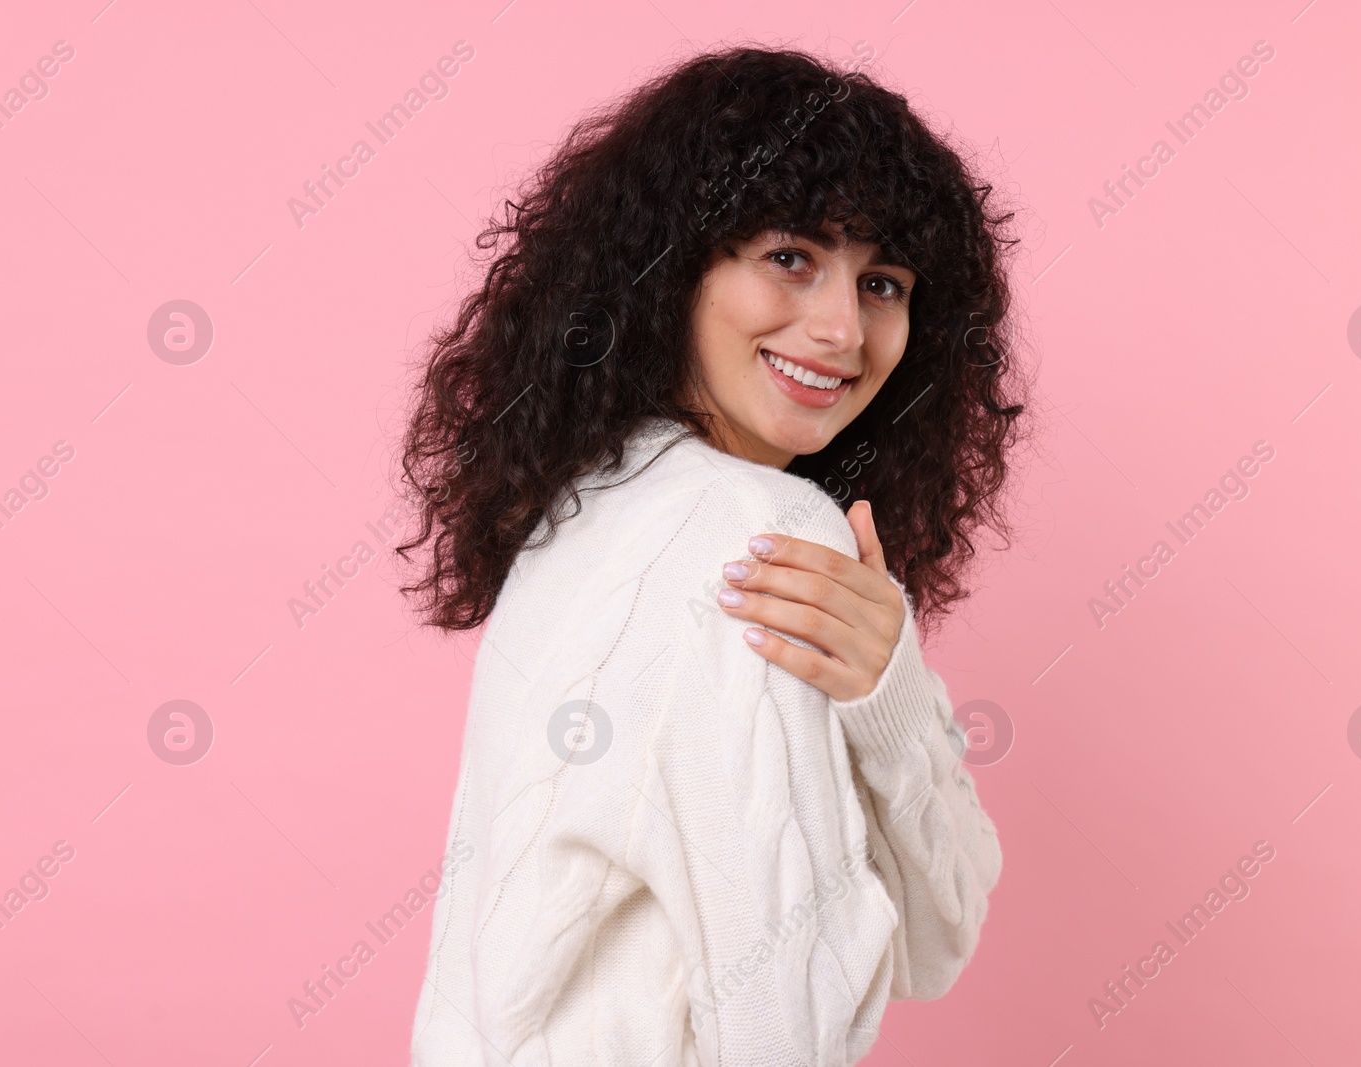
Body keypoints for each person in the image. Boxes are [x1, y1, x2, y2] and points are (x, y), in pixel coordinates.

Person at [396, 44, 1027, 1067]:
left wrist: (889, 692)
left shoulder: (592, 505)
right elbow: (800, 1020)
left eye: (883, 282)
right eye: (790, 257)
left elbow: (925, 937)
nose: (838, 329)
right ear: (671, 266)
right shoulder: (756, 532)